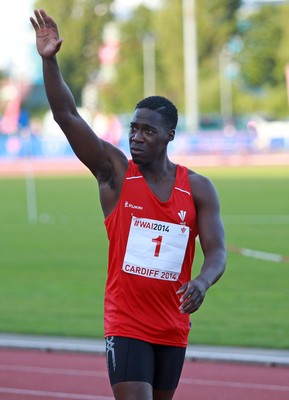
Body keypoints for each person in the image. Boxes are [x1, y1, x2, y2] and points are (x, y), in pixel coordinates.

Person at [30, 9, 226, 400]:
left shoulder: (199, 189)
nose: (136, 136)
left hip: (173, 325)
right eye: (133, 127)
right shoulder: (115, 174)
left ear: (168, 136)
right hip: (127, 323)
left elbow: (217, 250)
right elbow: (67, 115)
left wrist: (203, 281)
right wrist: (50, 62)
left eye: (147, 130)